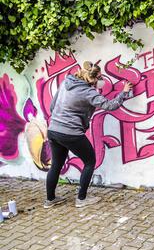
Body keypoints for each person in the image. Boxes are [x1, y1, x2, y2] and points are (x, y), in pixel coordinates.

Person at [44, 61, 133, 209]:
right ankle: (81, 199)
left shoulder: (66, 82)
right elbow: (110, 105)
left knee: (56, 165)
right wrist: (123, 92)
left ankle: (50, 200)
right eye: (100, 78)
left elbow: (52, 106)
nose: (101, 81)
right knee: (90, 161)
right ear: (93, 78)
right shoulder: (89, 92)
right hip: (71, 132)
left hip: (53, 130)